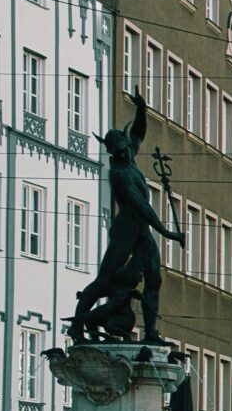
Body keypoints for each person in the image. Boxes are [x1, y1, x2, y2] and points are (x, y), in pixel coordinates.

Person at [69, 89, 186, 343]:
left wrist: (141, 108)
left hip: (141, 229)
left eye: (123, 147)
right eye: (117, 151)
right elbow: (142, 206)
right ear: (111, 152)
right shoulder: (119, 174)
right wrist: (169, 234)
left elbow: (139, 133)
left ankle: (151, 331)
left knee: (154, 276)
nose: (123, 153)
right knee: (104, 280)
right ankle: (77, 327)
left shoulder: (129, 155)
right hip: (126, 229)